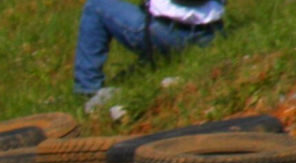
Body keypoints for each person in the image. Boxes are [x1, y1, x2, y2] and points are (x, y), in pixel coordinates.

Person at [74, 0, 225, 100]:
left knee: (96, 6)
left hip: (168, 33)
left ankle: (88, 88)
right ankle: (155, 63)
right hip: (211, 34)